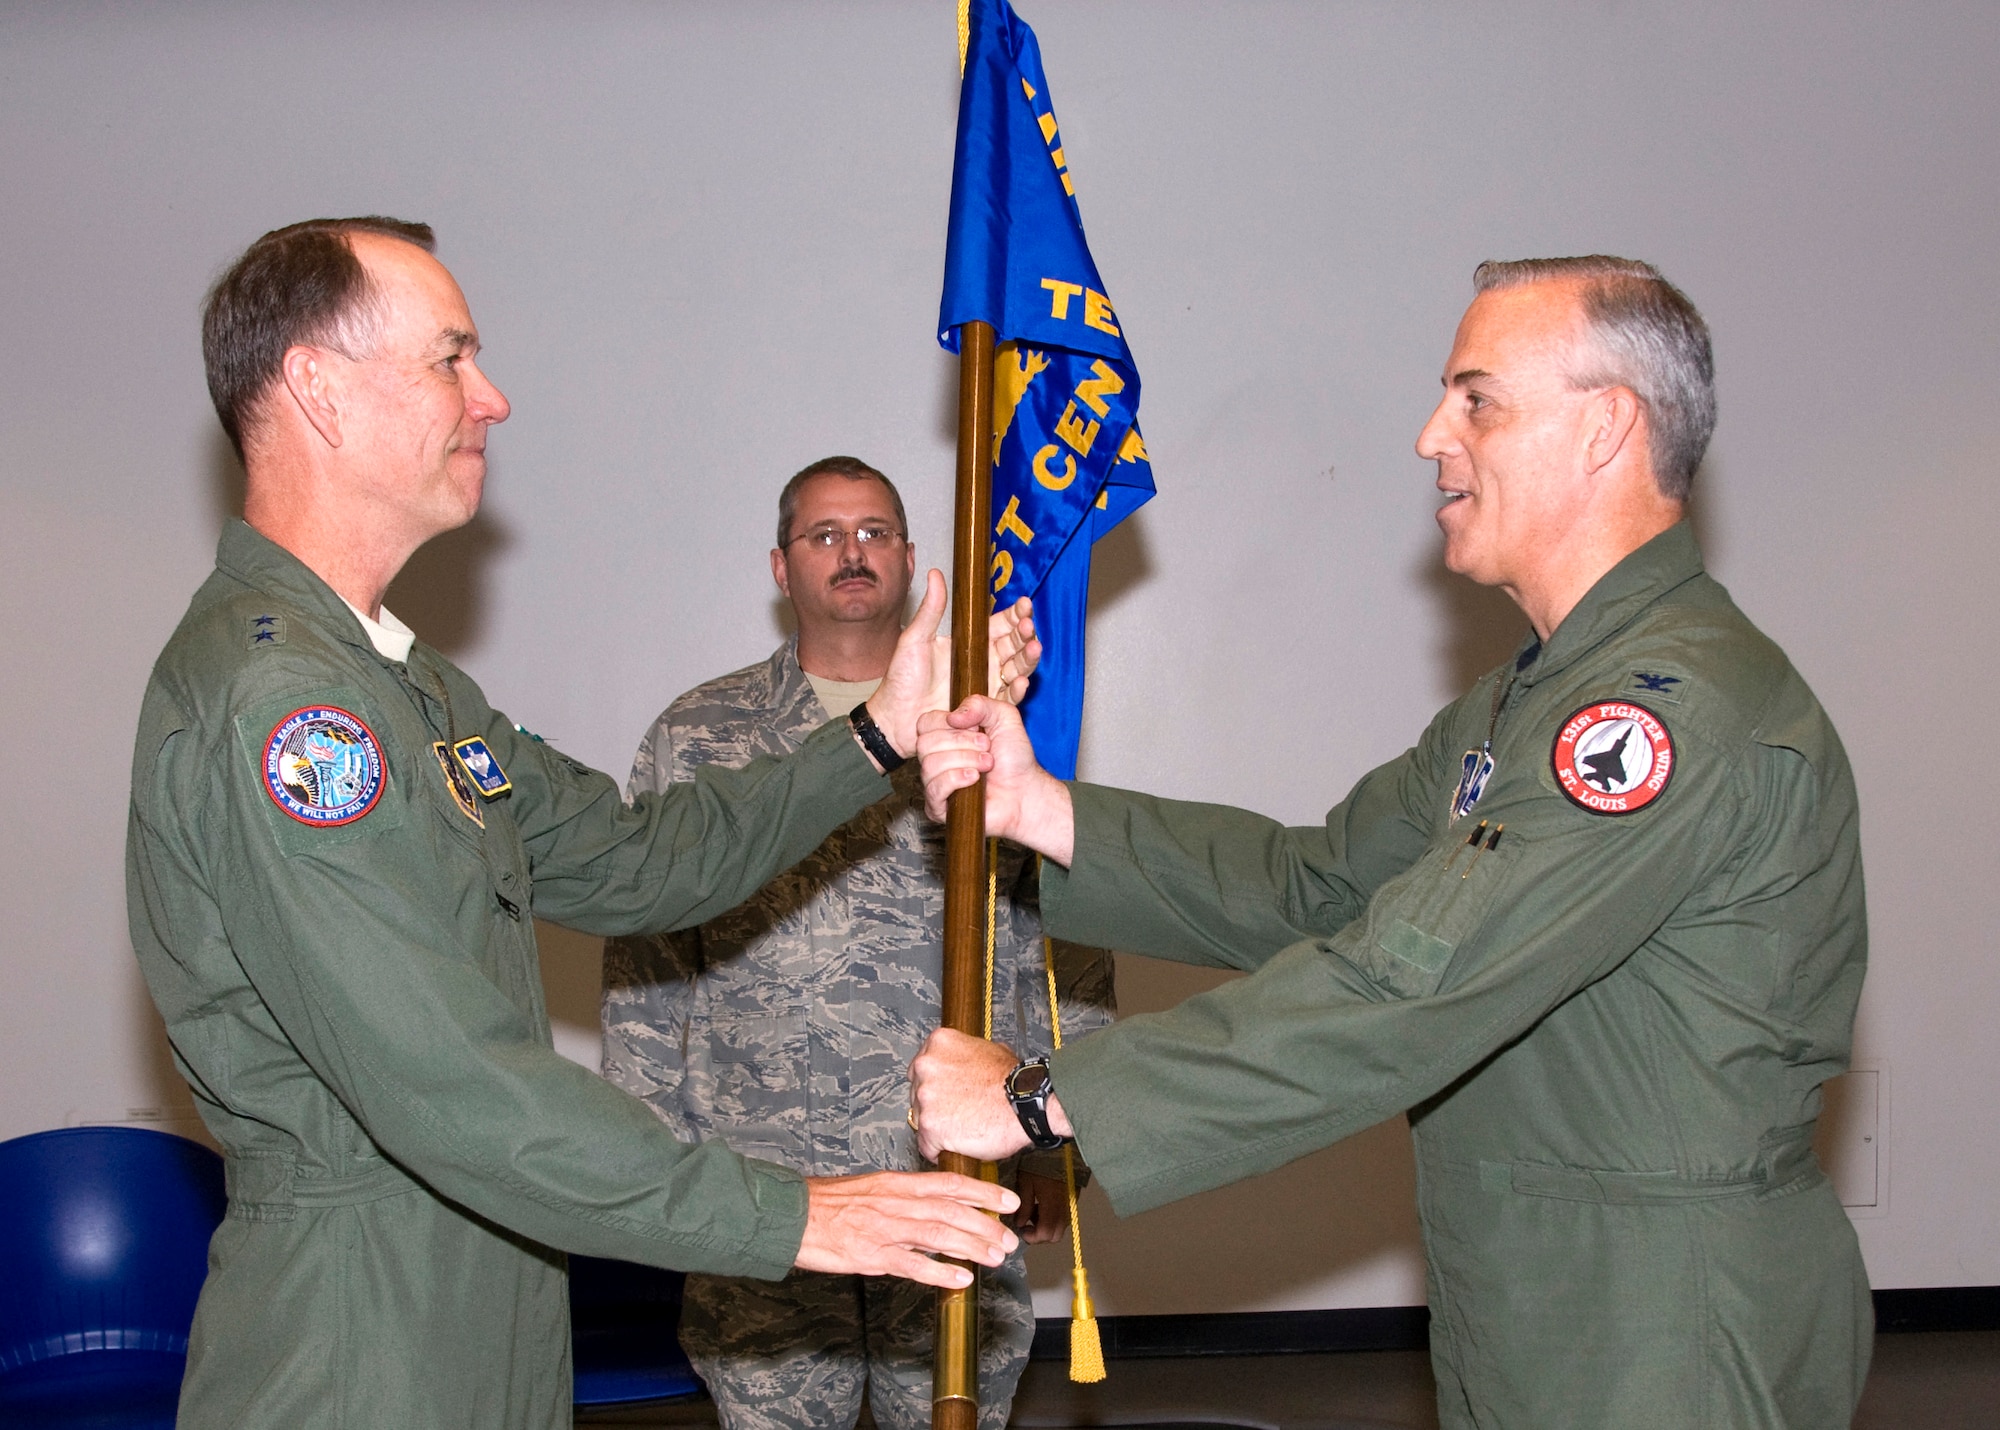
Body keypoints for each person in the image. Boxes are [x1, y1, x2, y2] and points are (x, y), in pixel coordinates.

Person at [911, 257, 1871, 1429]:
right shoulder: (1522, 702)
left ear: (1603, 429)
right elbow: (1319, 885)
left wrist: (1035, 1098)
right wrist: (1039, 809)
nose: (1429, 435)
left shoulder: (1660, 712)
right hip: (1525, 1292)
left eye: (1476, 399)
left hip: (1662, 1315)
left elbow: (1409, 983)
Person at [124, 216, 1040, 1430]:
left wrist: (874, 730)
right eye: (449, 358)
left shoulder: (403, 682)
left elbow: (637, 858)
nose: (490, 398)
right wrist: (792, 1213)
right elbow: (450, 1083)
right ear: (317, 388)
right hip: (364, 1325)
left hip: (493, 1278)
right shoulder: (287, 705)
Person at [603, 455, 1115, 1430]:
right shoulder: (700, 735)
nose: (851, 552)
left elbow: (1064, 935)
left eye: (874, 531)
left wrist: (1060, 1144)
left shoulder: (982, 722)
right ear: (779, 566)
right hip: (765, 1196)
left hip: (956, 1180)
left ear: (912, 558)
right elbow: (648, 947)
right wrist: (656, 1166)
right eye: (824, 534)